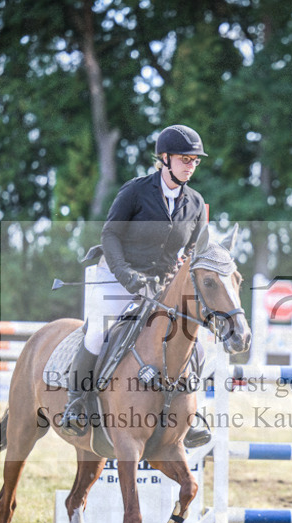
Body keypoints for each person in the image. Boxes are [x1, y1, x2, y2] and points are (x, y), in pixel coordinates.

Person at [60, 124, 211, 446]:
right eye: (185, 159)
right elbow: (110, 235)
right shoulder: (136, 191)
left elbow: (193, 251)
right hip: (117, 275)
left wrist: (180, 282)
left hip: (161, 288)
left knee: (195, 340)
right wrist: (127, 275)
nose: (191, 166)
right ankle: (77, 401)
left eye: (195, 161)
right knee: (100, 331)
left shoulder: (195, 203)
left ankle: (193, 413)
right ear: (165, 159)